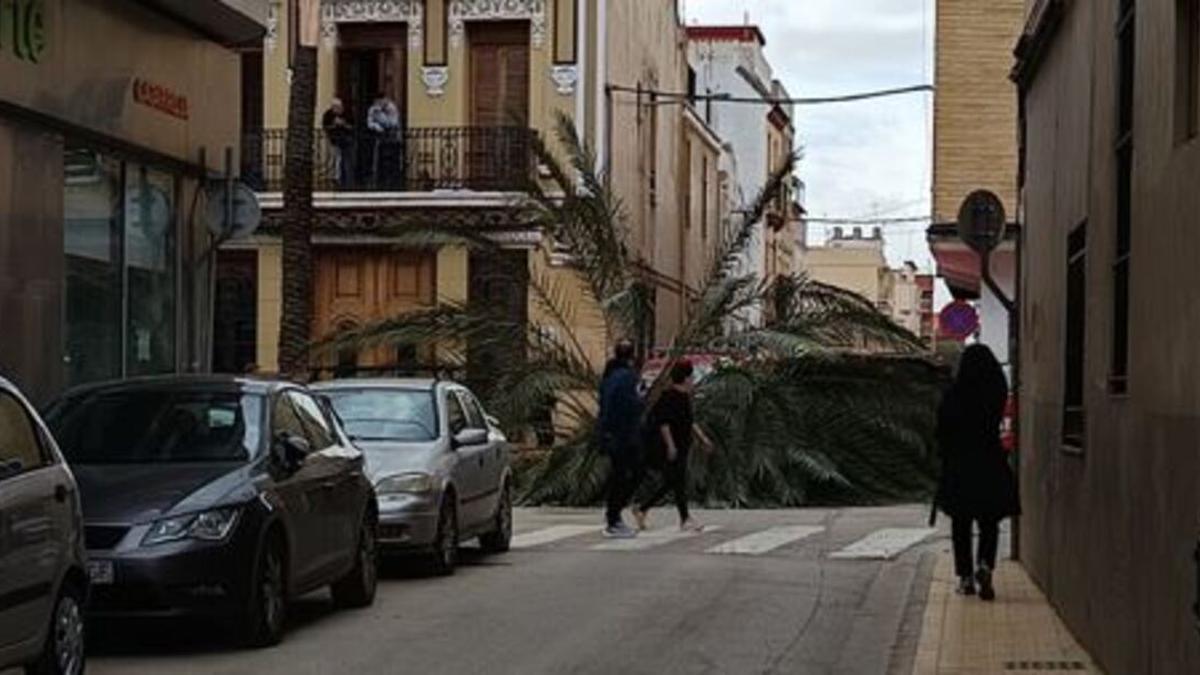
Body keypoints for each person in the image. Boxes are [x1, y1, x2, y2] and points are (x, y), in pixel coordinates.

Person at [934, 344, 1020, 601]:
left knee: (961, 524)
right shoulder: (995, 393)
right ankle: (985, 565)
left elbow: (941, 432)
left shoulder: (953, 395)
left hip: (960, 467)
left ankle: (966, 577)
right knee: (989, 521)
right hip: (990, 463)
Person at [632, 359, 712, 532]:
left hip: (682, 444)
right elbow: (664, 424)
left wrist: (702, 438)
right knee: (677, 481)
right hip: (669, 446)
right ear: (685, 378)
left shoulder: (684, 397)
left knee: (673, 482)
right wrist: (670, 446)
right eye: (691, 376)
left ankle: (643, 509)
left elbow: (689, 421)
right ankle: (685, 519)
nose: (692, 380)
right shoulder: (669, 396)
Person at [598, 339, 643, 538]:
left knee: (621, 475)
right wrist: (641, 400)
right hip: (623, 436)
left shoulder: (610, 376)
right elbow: (629, 406)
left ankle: (613, 516)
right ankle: (613, 518)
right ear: (632, 356)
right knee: (629, 475)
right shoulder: (626, 377)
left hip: (612, 434)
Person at [366, 93, 402, 188]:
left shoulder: (391, 108)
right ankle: (378, 182)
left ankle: (393, 183)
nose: (379, 103)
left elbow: (392, 123)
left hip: (392, 140)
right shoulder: (373, 109)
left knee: (392, 163)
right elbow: (369, 123)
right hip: (379, 139)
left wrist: (381, 114)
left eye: (380, 101)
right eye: (377, 102)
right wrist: (376, 126)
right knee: (378, 162)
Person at [322, 98, 355, 187]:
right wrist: (334, 125)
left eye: (338, 107)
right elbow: (325, 127)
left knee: (347, 161)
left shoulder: (347, 113)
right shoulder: (328, 115)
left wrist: (343, 124)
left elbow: (353, 127)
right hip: (334, 140)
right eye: (335, 107)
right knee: (335, 160)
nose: (337, 109)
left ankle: (347, 182)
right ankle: (336, 179)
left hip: (347, 141)